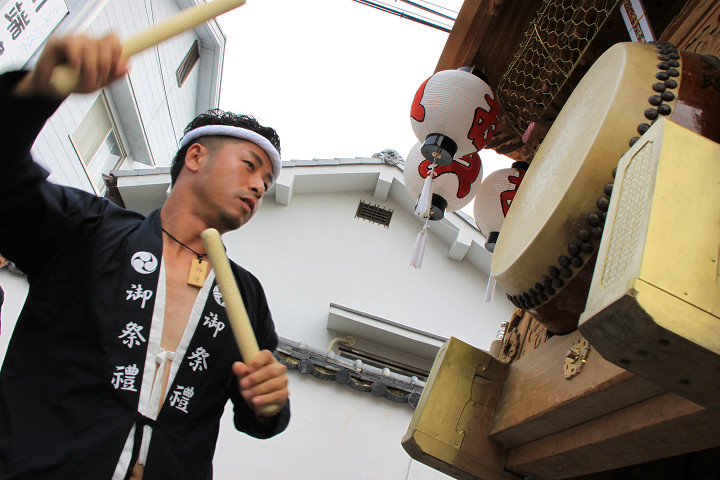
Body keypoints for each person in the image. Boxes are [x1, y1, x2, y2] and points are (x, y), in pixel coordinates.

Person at [0, 34, 290, 479]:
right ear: (196, 156)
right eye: (250, 166)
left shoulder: (246, 297)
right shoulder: (87, 230)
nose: (258, 186)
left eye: (266, 183)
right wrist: (36, 91)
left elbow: (257, 414)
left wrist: (270, 404)